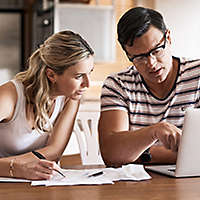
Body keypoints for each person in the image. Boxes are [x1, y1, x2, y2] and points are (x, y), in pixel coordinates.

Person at [98, 7, 200, 167]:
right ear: (128, 55)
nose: (151, 64)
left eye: (156, 51)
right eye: (139, 57)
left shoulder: (197, 75)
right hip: (136, 188)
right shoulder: (118, 84)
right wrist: (154, 131)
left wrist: (142, 154)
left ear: (168, 37)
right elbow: (112, 155)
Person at [0, 30, 94, 179]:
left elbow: (54, 151)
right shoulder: (9, 96)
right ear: (51, 75)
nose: (87, 84)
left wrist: (21, 168)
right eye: (78, 76)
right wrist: (15, 169)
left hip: (35, 183)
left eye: (90, 73)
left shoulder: (71, 98)